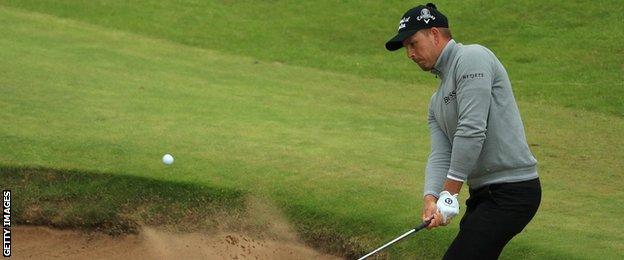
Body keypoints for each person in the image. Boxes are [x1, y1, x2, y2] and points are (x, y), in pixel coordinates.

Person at [385, 3, 542, 259]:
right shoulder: (436, 102)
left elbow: (472, 129)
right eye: (406, 48)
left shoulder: (472, 57)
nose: (410, 54)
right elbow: (440, 154)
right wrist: (431, 198)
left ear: (434, 34)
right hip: (484, 195)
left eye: (413, 43)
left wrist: (449, 194)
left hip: (514, 189)